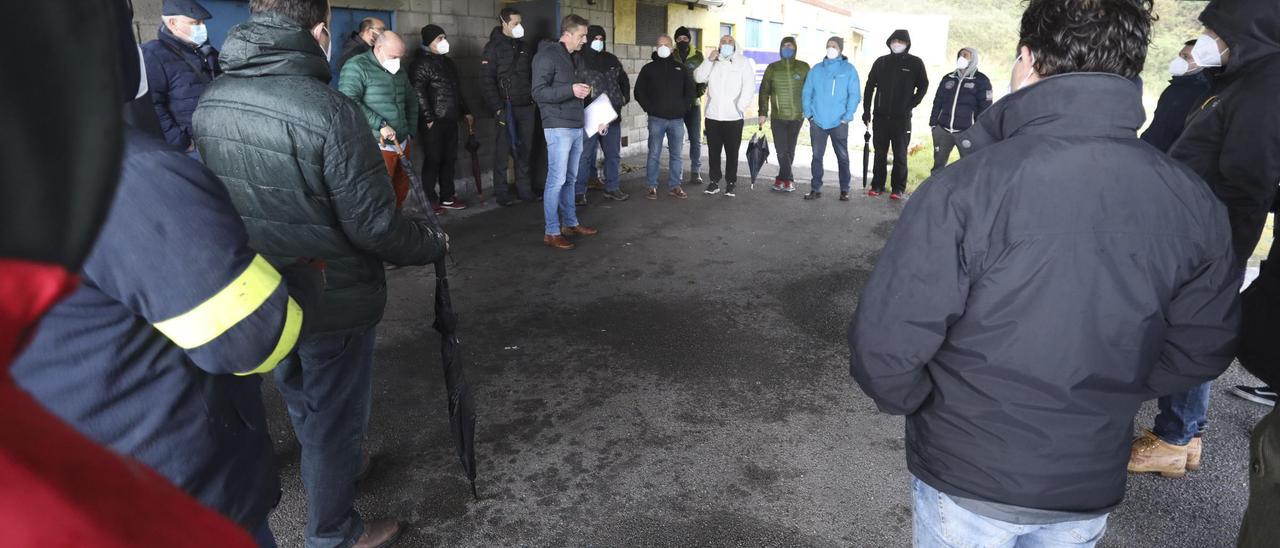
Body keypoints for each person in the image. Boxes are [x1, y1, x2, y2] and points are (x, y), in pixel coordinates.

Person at [847, 0, 1239, 545]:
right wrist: (1110, 389)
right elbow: (1203, 346)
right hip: (1087, 478)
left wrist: (934, 405)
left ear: (1027, 60)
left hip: (968, 471)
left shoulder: (965, 189)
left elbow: (885, 349)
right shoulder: (1191, 199)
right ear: (1130, 69)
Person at [0, 1, 259, 545]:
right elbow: (246, 339)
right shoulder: (135, 176)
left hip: (86, 442)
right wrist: (304, 279)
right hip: (172, 476)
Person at [193, 0, 449, 546]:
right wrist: (431, 245)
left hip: (260, 288)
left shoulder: (212, 100)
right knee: (336, 415)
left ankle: (332, 472)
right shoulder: (330, 111)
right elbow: (375, 226)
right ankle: (334, 531)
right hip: (333, 294)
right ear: (317, 31)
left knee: (297, 387)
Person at [1130, 0, 1280, 479]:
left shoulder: (1264, 89)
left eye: (1216, 31)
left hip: (1208, 242)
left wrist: (1212, 246)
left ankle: (1177, 436)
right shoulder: (1240, 83)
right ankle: (1181, 433)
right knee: (1188, 330)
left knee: (1192, 333)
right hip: (1196, 235)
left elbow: (1249, 181)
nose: (1206, 43)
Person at [532, 14, 601, 251]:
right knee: (557, 180)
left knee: (570, 179)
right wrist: (569, 89)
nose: (585, 40)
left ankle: (569, 223)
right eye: (582, 36)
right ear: (568, 34)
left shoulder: (576, 58)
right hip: (557, 126)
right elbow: (538, 93)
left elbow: (580, 92)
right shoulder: (546, 56)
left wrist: (597, 119)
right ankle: (551, 231)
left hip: (575, 124)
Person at [339, 30, 418, 210]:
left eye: (400, 57)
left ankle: (395, 224)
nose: (397, 61)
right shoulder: (356, 66)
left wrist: (410, 131)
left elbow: (412, 100)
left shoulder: (399, 70)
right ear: (379, 47)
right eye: (393, 56)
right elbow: (348, 100)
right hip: (376, 144)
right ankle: (380, 231)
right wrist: (379, 124)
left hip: (402, 142)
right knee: (378, 193)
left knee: (401, 187)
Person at [142, 0, 220, 157]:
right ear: (173, 23)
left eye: (202, 22)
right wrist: (181, 143)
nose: (202, 27)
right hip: (191, 149)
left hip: (217, 142)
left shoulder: (208, 52)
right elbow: (153, 106)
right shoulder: (154, 54)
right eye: (195, 22)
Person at [410, 24, 473, 211]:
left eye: (444, 37)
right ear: (429, 42)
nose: (444, 41)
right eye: (439, 38)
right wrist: (428, 118)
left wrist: (466, 111)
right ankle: (429, 199)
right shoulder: (420, 64)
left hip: (451, 119)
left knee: (449, 158)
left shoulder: (448, 63)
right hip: (433, 123)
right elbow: (417, 92)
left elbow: (456, 90)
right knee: (433, 159)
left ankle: (448, 196)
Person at [862, 29, 928, 200]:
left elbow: (923, 86)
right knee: (879, 153)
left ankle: (898, 188)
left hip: (902, 119)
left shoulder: (915, 63)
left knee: (900, 154)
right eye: (894, 41)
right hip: (880, 117)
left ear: (907, 44)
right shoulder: (881, 62)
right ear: (889, 42)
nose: (896, 44)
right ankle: (877, 184)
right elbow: (869, 87)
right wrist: (866, 110)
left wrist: (910, 105)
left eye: (900, 41)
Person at [481, 8, 537, 206]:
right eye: (515, 24)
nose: (519, 27)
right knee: (503, 151)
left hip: (526, 106)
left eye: (520, 23)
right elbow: (487, 81)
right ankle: (502, 193)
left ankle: (525, 190)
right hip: (506, 107)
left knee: (525, 149)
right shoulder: (492, 48)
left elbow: (532, 75)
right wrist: (497, 108)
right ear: (503, 23)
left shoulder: (525, 47)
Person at [573, 25, 631, 204]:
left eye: (601, 39)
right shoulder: (578, 59)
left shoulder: (611, 59)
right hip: (588, 116)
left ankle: (612, 188)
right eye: (595, 38)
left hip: (611, 116)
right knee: (584, 156)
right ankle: (579, 192)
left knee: (613, 154)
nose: (598, 42)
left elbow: (624, 80)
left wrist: (624, 98)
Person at [694, 34, 756, 198]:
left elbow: (749, 86)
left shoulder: (743, 62)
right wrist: (709, 60)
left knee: (732, 152)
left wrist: (739, 106)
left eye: (730, 41)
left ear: (735, 45)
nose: (727, 44)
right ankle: (714, 182)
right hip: (713, 116)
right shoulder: (713, 61)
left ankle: (731, 182)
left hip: (733, 118)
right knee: (713, 152)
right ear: (719, 45)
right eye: (723, 41)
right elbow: (698, 77)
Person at [635, 34, 694, 200]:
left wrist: (683, 108)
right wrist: (650, 108)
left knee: (676, 155)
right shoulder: (649, 68)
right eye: (660, 45)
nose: (662, 47)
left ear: (672, 48)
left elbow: (690, 91)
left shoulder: (681, 68)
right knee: (654, 153)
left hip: (677, 120)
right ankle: (651, 186)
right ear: (656, 48)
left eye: (666, 45)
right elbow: (639, 92)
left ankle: (675, 186)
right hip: (656, 119)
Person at [801, 36, 860, 202]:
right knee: (816, 157)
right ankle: (815, 189)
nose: (830, 48)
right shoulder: (816, 69)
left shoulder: (848, 70)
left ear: (840, 49)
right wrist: (809, 114)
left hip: (839, 122)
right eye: (828, 45)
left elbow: (854, 95)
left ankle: (844, 189)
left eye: (834, 46)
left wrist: (847, 116)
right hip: (818, 121)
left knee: (842, 157)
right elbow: (807, 92)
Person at [1138, 40, 1210, 154]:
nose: (1179, 60)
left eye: (1186, 57)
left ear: (1204, 63)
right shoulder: (1177, 87)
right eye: (1180, 55)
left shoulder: (1199, 94)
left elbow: (1162, 133)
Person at [928, 47, 992, 173]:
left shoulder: (981, 80)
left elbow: (985, 108)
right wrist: (933, 124)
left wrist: (978, 130)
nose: (962, 58)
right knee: (938, 167)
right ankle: (936, 191)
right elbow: (938, 102)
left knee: (969, 167)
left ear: (973, 58)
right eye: (960, 55)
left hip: (966, 132)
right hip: (943, 130)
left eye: (966, 55)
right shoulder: (948, 78)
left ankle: (966, 192)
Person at [758, 36, 809, 193]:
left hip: (797, 117)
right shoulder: (773, 68)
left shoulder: (803, 67)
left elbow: (810, 91)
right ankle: (789, 179)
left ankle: (781, 179)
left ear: (795, 48)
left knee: (790, 149)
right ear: (780, 48)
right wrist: (762, 112)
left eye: (791, 46)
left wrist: (809, 110)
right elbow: (764, 91)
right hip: (778, 116)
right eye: (785, 46)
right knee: (781, 150)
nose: (788, 48)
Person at [674, 26, 707, 186]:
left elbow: (704, 78)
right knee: (677, 140)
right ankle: (677, 171)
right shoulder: (671, 55)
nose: (682, 41)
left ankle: (695, 171)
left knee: (695, 139)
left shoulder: (698, 56)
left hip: (694, 105)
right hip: (676, 105)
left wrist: (697, 93)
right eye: (679, 39)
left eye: (685, 38)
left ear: (689, 39)